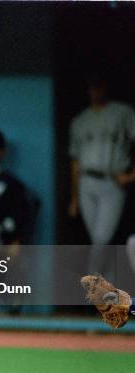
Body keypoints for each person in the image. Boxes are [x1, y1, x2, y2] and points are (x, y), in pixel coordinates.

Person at [68, 75, 135, 246]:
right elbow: (75, 162)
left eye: (99, 86)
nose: (96, 91)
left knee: (101, 238)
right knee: (97, 240)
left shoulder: (123, 112)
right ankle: (102, 272)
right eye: (92, 87)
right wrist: (74, 197)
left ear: (106, 87)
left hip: (112, 181)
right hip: (87, 181)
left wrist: (131, 175)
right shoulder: (80, 120)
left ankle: (93, 273)